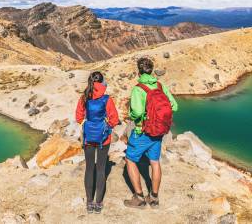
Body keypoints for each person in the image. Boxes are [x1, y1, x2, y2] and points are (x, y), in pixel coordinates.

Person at [124, 57, 178, 209]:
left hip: (143, 131)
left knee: (130, 160)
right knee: (154, 162)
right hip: (159, 132)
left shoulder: (138, 89)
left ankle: (139, 198)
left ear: (139, 70)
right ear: (152, 70)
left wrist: (138, 117)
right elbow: (174, 106)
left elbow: (137, 112)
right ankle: (154, 198)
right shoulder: (160, 86)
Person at [76, 71, 119, 214]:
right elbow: (114, 119)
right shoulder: (107, 99)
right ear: (102, 83)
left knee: (89, 168)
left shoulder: (84, 97)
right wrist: (107, 126)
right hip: (103, 138)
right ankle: (98, 202)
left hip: (88, 138)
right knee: (101, 169)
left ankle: (89, 202)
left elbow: (78, 116)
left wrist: (86, 124)